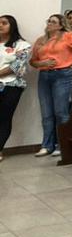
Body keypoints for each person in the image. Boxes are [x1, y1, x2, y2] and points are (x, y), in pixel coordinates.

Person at [29, 14, 72, 158]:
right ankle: (47, 145)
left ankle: (62, 145)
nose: (49, 24)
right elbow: (33, 61)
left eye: (53, 22)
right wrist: (41, 63)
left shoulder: (67, 36)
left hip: (62, 75)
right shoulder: (41, 40)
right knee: (46, 113)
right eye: (48, 21)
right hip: (44, 76)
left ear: (60, 25)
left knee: (60, 112)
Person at [0, 15, 31, 160]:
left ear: (12, 26)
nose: (0, 25)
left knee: (4, 118)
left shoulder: (22, 45)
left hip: (11, 86)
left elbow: (17, 66)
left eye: (4, 23)